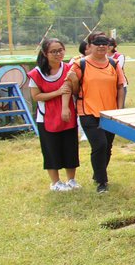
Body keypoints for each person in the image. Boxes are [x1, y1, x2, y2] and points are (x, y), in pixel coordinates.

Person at [67, 33, 125, 193]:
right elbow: (73, 90)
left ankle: (98, 173)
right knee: (100, 145)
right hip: (88, 111)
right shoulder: (80, 65)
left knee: (107, 147)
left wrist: (119, 110)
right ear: (89, 46)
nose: (101, 46)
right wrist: (72, 81)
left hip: (110, 113)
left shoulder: (114, 64)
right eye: (97, 43)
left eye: (104, 43)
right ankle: (102, 182)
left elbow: (120, 87)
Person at [28, 38, 80, 192]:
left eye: (60, 50)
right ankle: (56, 182)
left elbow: (73, 90)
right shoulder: (36, 73)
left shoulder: (68, 68)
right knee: (51, 149)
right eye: (53, 51)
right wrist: (56, 93)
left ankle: (71, 179)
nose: (58, 54)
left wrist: (75, 80)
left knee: (70, 148)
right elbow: (36, 96)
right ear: (45, 53)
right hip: (46, 117)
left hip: (67, 115)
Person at [107, 37, 128, 108]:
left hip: (120, 84)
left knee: (120, 106)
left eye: (110, 45)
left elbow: (117, 68)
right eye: (106, 44)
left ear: (114, 46)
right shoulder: (102, 56)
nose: (108, 47)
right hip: (108, 84)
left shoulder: (119, 56)